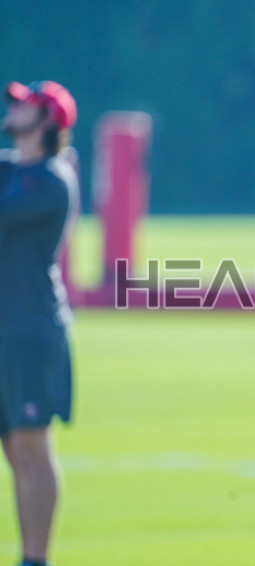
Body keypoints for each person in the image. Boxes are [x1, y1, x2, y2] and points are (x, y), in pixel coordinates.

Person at [1, 80, 79, 566]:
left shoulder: (50, 179)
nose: (11, 108)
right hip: (5, 329)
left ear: (48, 120)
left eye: (24, 105)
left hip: (29, 330)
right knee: (14, 450)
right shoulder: (12, 169)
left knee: (32, 445)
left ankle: (36, 559)